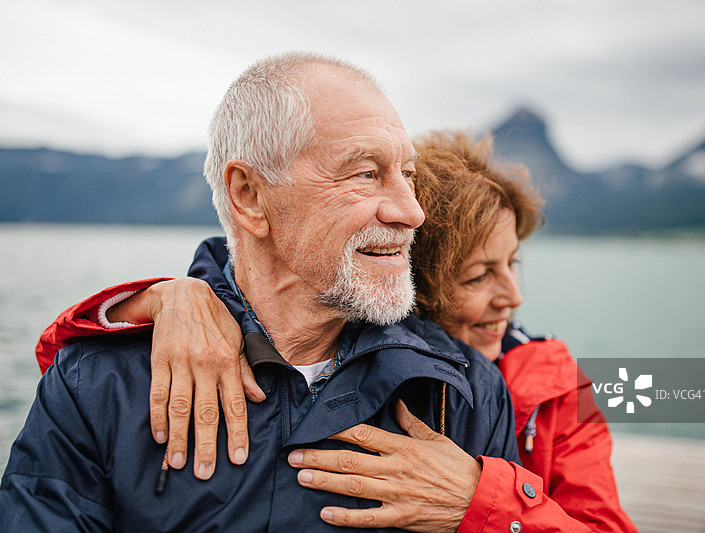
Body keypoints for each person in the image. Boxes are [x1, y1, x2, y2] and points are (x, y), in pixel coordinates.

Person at [0, 53, 521, 532]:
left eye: (406, 175)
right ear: (249, 196)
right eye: (366, 174)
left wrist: (481, 505)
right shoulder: (99, 384)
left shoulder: (464, 391)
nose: (411, 212)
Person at [29, 131, 638, 532]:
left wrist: (480, 500)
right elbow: (68, 368)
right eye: (478, 275)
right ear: (405, 276)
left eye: (514, 264)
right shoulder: (379, 369)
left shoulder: (559, 382)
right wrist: (166, 297)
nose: (513, 296)